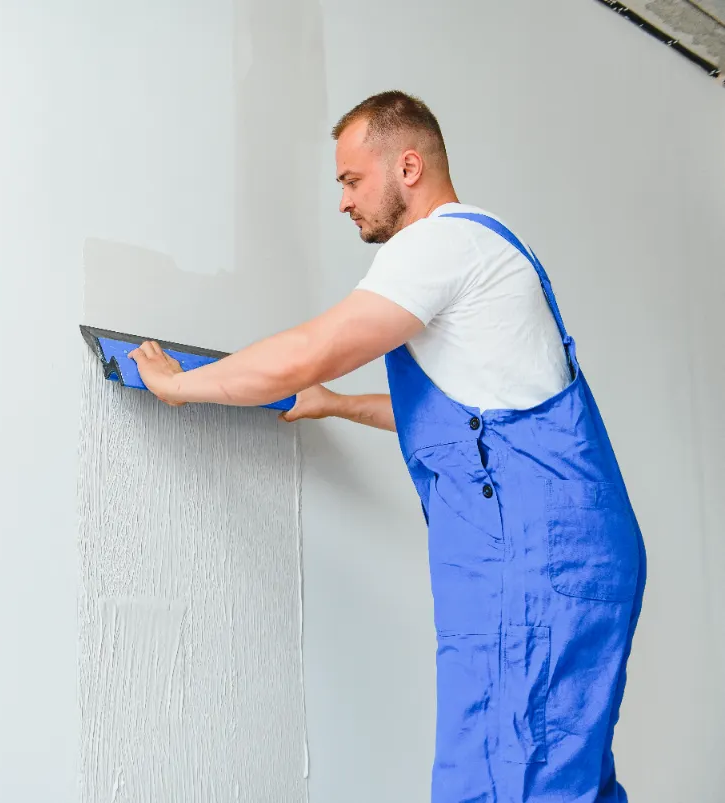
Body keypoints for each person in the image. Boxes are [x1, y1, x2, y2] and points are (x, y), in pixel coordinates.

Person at [129, 90, 646, 803]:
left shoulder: (439, 245)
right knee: (556, 772)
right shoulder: (487, 250)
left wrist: (178, 385)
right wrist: (337, 406)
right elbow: (480, 426)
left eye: (350, 179)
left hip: (528, 561)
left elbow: (308, 351)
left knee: (506, 780)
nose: (342, 201)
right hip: (555, 553)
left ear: (407, 166)